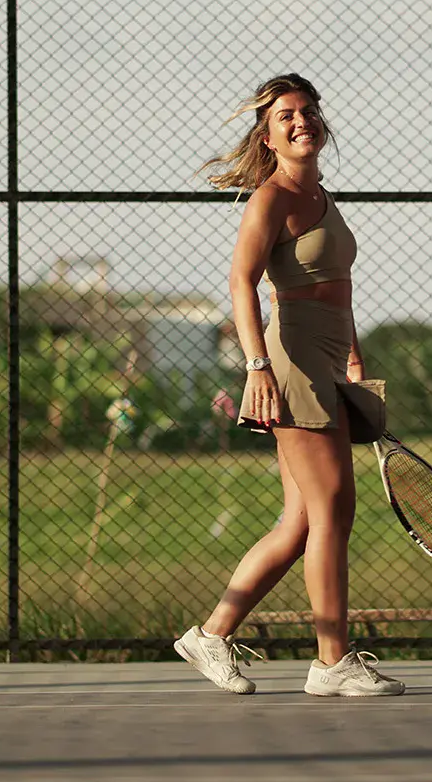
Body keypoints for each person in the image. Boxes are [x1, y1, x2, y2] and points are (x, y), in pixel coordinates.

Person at [173, 73, 403, 697]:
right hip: (291, 362)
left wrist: (354, 364)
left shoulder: (323, 196)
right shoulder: (269, 200)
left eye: (307, 111)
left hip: (327, 365)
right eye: (285, 116)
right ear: (268, 135)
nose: (300, 122)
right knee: (333, 511)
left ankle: (211, 635)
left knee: (300, 523)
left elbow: (340, 292)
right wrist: (257, 368)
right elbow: (241, 283)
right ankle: (331, 663)